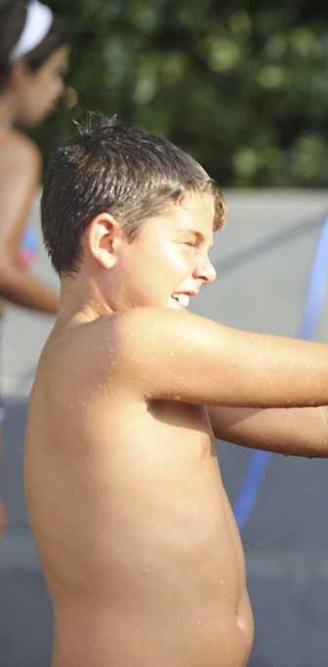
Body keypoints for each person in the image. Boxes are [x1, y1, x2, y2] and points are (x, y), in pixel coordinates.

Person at [24, 117, 328, 666]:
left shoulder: (99, 362)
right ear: (107, 240)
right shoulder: (132, 342)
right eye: (188, 243)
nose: (207, 269)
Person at [0, 0, 66, 540]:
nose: (60, 93)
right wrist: (83, 306)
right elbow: (0, 267)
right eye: (57, 74)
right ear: (20, 70)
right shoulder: (13, 152)